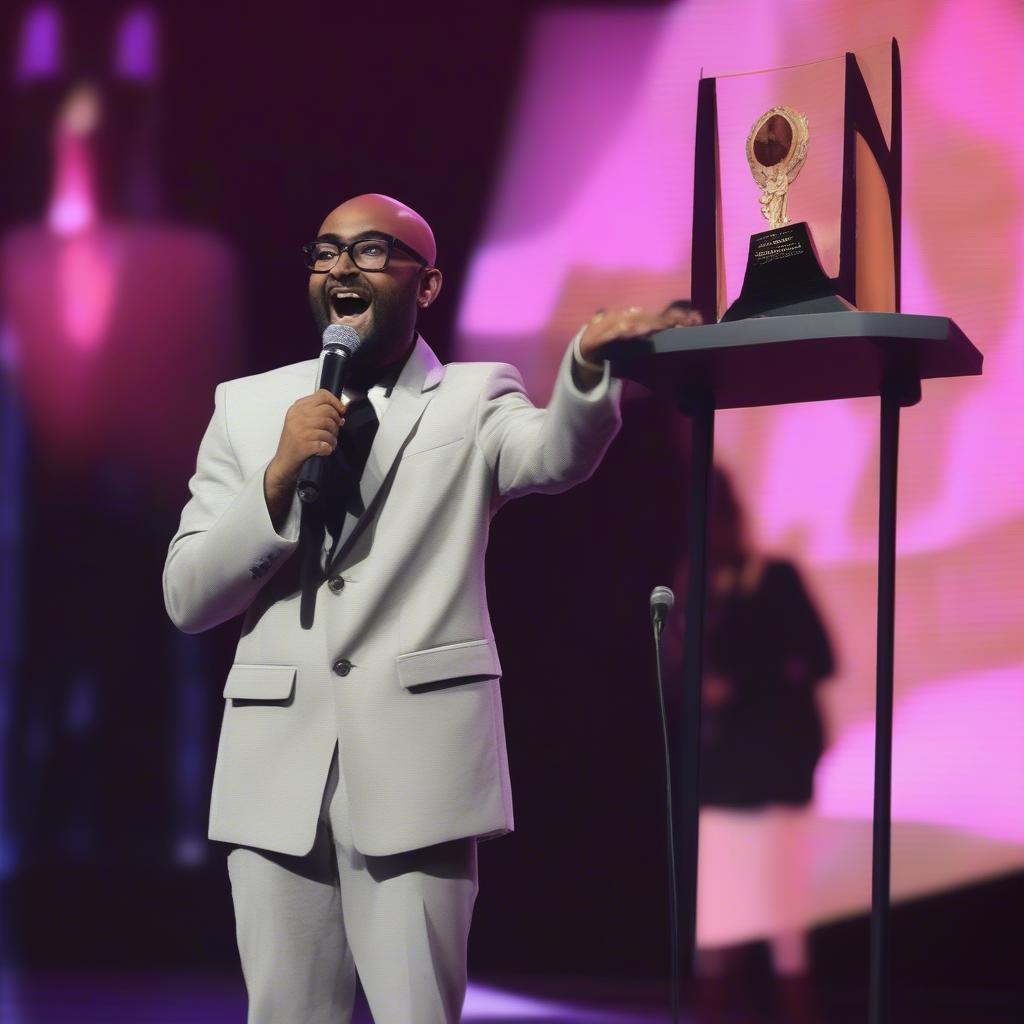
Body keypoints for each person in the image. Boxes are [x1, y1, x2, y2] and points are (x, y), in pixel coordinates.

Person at [163, 193, 701, 1024]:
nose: (341, 266)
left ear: (428, 284)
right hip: (275, 768)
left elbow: (551, 454)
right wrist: (274, 483)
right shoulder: (248, 406)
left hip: (417, 771)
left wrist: (589, 371)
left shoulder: (473, 397)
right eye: (326, 251)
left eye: (372, 251)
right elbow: (188, 595)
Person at [668, 467, 835, 1024]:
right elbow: (673, 676)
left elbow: (820, 659)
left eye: (721, 519)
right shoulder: (693, 589)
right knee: (720, 933)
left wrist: (741, 683)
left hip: (775, 779)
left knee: (785, 930)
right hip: (724, 783)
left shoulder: (776, 578)